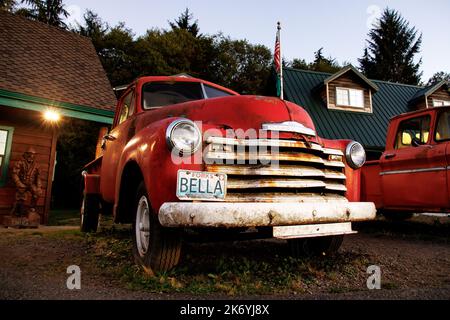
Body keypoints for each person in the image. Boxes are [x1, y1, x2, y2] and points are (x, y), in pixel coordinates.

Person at [10, 147, 42, 216]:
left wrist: (39, 187)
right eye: (29, 154)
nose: (31, 156)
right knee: (20, 197)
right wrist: (19, 183)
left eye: (33, 154)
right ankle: (18, 212)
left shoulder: (37, 166)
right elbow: (14, 174)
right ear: (26, 154)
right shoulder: (19, 163)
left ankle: (32, 207)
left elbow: (38, 178)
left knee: (38, 193)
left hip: (31, 184)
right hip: (21, 184)